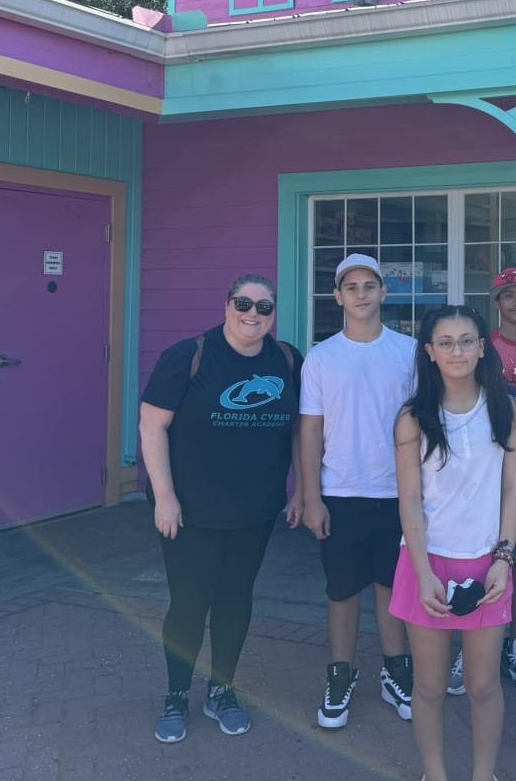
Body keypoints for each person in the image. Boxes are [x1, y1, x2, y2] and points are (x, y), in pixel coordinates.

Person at [138, 273, 302, 744]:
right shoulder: (187, 357)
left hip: (255, 510)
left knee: (235, 601)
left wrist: (303, 491)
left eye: (264, 306)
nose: (253, 313)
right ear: (226, 304)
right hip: (190, 510)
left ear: (274, 313)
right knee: (190, 604)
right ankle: (175, 695)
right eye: (243, 302)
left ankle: (222, 689)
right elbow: (153, 427)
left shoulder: (287, 359)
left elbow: (302, 430)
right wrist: (165, 497)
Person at [390, 305, 516, 781]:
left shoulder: (507, 408)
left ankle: (482, 774)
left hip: (488, 566)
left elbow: (513, 489)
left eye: (466, 340)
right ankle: (436, 774)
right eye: (444, 342)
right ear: (429, 352)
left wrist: (504, 559)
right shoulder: (413, 417)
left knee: (483, 685)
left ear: (482, 346)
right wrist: (424, 572)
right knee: (428, 687)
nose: (456, 351)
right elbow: (409, 500)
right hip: (426, 565)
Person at [296, 253, 417, 729]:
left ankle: (395, 671)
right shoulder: (322, 357)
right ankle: (341, 674)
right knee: (343, 591)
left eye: (370, 286)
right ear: (338, 297)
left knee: (392, 589)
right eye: (352, 287)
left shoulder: (408, 351)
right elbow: (310, 431)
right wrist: (311, 497)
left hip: (397, 493)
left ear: (384, 293)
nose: (362, 294)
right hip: (341, 492)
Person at [448, 267, 516, 696]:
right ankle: (473, 646)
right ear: (495, 302)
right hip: (482, 476)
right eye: (508, 295)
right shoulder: (481, 348)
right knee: (476, 559)